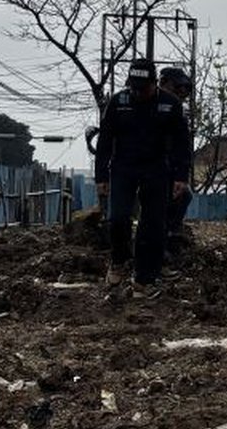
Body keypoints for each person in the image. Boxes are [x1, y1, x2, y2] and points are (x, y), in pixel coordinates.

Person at [94, 58, 192, 298]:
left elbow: (182, 143)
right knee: (118, 217)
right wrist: (101, 176)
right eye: (134, 88)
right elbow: (105, 140)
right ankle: (118, 261)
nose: (139, 93)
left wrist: (181, 175)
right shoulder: (119, 103)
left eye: (144, 89)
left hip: (157, 168)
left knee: (153, 225)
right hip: (123, 167)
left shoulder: (170, 105)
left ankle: (144, 280)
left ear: (154, 84)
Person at [158, 66, 195, 257]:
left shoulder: (176, 110)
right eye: (176, 87)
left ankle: (170, 235)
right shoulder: (151, 105)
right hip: (147, 166)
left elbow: (183, 144)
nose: (181, 92)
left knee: (183, 195)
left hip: (169, 166)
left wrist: (181, 174)